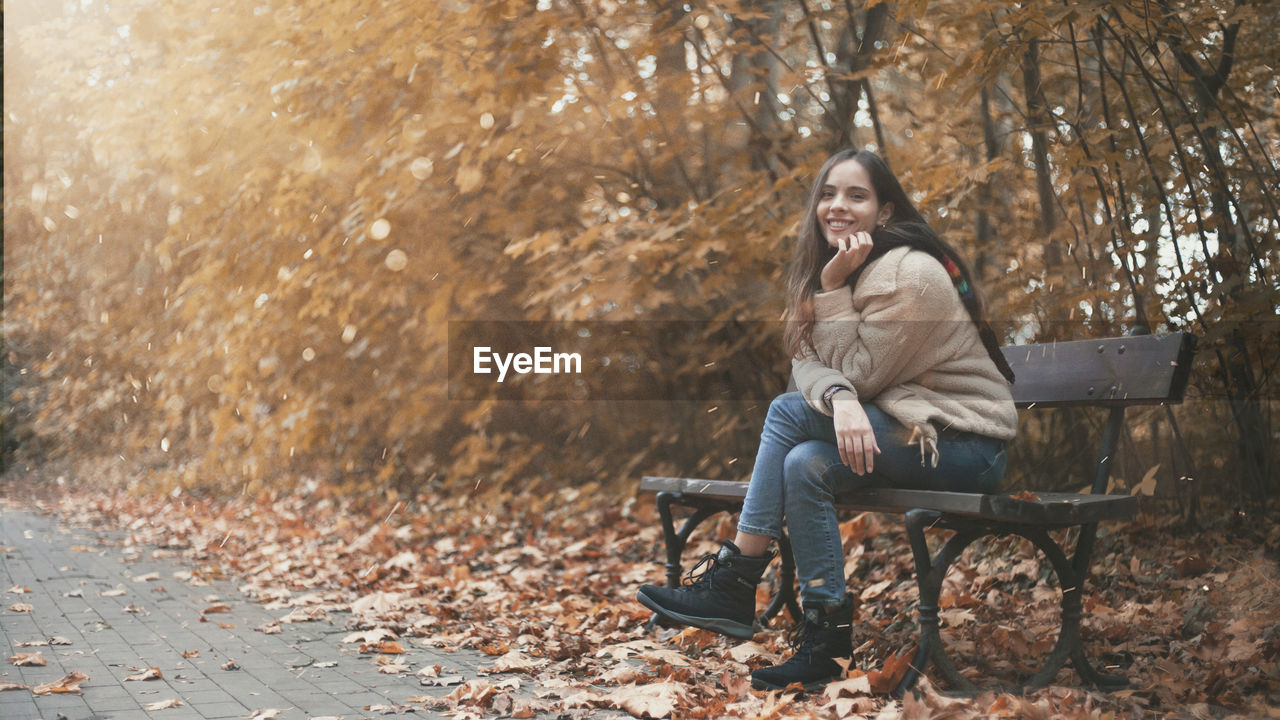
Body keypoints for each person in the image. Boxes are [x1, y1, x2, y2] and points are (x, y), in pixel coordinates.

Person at [636, 149, 1018, 691]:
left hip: (966, 445)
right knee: (805, 461)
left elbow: (855, 375)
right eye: (828, 193)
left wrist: (835, 302)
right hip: (902, 431)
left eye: (856, 195)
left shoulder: (909, 273)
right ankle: (827, 641)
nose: (837, 206)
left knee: (786, 415)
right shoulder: (837, 270)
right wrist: (840, 398)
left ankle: (737, 579)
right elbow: (805, 364)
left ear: (884, 211)